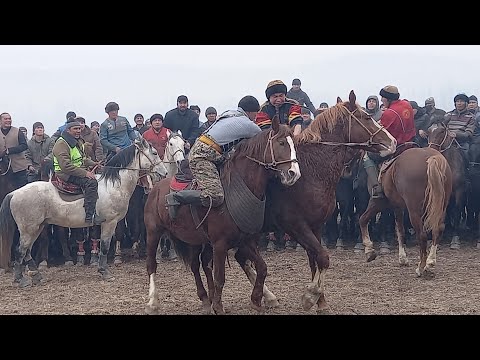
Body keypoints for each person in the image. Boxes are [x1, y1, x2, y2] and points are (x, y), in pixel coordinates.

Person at [165, 95, 262, 219]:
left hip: (208, 151)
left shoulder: (229, 113)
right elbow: (263, 138)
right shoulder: (249, 125)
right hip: (203, 156)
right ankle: (177, 197)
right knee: (215, 196)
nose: (256, 117)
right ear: (249, 112)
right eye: (256, 113)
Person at [363, 85, 415, 199]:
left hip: (396, 147)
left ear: (389, 98)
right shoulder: (407, 105)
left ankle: (377, 188)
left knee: (367, 157)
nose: (381, 100)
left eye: (383, 98)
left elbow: (380, 135)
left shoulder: (389, 113)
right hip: (411, 143)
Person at [52, 118, 105, 225]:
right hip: (65, 174)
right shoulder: (61, 144)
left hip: (76, 170)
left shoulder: (78, 141)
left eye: (79, 128)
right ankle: (90, 216)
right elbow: (65, 166)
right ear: (68, 130)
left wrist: (94, 163)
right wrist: (85, 173)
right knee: (91, 182)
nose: (78, 131)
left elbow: (83, 159)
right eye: (75, 129)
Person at [443, 93, 475, 169]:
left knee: (466, 154)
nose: (459, 103)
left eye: (461, 101)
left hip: (461, 142)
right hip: (447, 140)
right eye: (457, 101)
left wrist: (456, 134)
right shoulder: (449, 114)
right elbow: (442, 125)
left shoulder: (471, 117)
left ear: (466, 103)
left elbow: (469, 133)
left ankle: (466, 173)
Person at [0, 112, 30, 189]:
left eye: (9, 119)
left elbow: (24, 146)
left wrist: (10, 150)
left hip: (19, 168)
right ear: (0, 121)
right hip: (3, 169)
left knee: (21, 190)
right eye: (5, 119)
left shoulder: (18, 131)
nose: (8, 120)